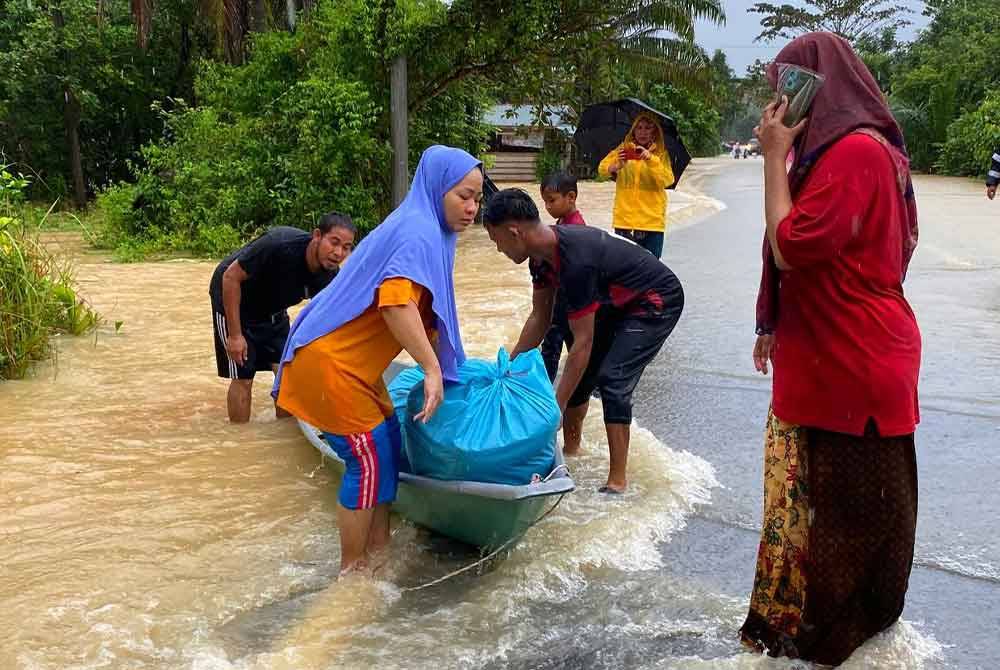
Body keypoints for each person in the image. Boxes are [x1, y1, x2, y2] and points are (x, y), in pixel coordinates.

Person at [740, 33, 922, 666]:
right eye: (779, 88)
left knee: (849, 517)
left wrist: (772, 160)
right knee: (822, 506)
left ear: (827, 87)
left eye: (794, 86)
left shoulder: (856, 153)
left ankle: (832, 646)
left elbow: (792, 245)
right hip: (831, 349)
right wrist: (771, 322)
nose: (782, 101)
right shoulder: (830, 156)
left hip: (851, 356)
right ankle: (822, 637)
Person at [273, 146, 483, 576]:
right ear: (438, 188)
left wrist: (454, 368)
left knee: (387, 443)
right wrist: (430, 369)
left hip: (356, 368)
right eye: (464, 196)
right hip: (331, 364)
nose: (471, 208)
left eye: (477, 199)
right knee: (366, 459)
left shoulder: (427, 229)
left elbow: (423, 312)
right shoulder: (418, 233)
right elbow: (395, 305)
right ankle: (352, 573)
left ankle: (379, 554)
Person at [483, 188, 683, 494]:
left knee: (612, 378)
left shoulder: (576, 261)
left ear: (514, 232)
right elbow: (539, 318)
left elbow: (583, 342)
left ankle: (617, 481)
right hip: (615, 300)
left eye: (495, 240)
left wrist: (557, 406)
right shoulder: (539, 259)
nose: (498, 250)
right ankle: (572, 453)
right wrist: (507, 370)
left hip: (655, 299)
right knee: (580, 377)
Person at [210, 214, 356, 423]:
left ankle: (283, 431)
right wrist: (234, 336)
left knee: (287, 376)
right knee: (244, 377)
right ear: (317, 236)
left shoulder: (329, 276)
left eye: (346, 247)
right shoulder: (279, 244)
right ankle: (239, 435)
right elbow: (230, 277)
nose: (338, 253)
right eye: (334, 242)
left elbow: (331, 321)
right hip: (234, 299)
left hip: (274, 310)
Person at [597, 113, 675, 259]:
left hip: (652, 223)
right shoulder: (623, 149)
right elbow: (602, 169)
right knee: (623, 267)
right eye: (639, 128)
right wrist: (616, 166)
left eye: (647, 128)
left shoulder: (661, 154)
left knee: (650, 268)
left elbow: (667, 180)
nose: (642, 132)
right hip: (624, 222)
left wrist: (651, 159)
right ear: (633, 131)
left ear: (654, 132)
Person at [539, 171, 587, 382]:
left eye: (552, 200)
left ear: (571, 197)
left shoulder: (574, 228)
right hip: (567, 295)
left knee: (553, 344)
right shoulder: (564, 221)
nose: (548, 207)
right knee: (562, 341)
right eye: (545, 202)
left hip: (568, 296)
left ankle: (545, 386)